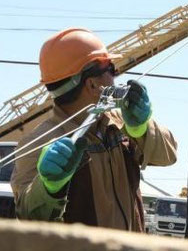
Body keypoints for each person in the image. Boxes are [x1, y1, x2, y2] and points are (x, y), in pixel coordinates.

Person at [10, 28, 178, 231]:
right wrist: (49, 188)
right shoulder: (39, 143)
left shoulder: (120, 122)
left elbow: (169, 155)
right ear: (92, 84)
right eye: (111, 68)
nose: (115, 76)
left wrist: (142, 128)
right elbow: (29, 219)